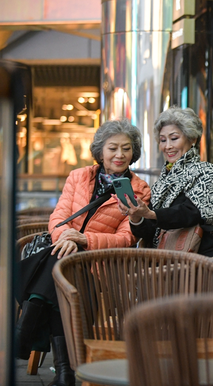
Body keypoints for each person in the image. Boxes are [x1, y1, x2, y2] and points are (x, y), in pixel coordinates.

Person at [17, 119, 151, 386]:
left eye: (126, 149)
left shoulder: (140, 190)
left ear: (133, 153)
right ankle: (65, 372)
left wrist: (84, 240)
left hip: (99, 265)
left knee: (57, 268)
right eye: (113, 148)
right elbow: (58, 217)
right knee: (61, 269)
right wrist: (66, 237)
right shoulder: (78, 176)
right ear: (100, 152)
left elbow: (126, 238)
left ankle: (27, 332)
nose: (120, 155)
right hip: (63, 253)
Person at [119, 107, 213, 257]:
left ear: (192, 139)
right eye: (163, 140)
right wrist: (136, 216)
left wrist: (152, 214)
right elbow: (149, 232)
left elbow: (191, 213)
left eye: (174, 138)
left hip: (209, 258)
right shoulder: (161, 183)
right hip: (171, 262)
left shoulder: (206, 171)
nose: (167, 146)